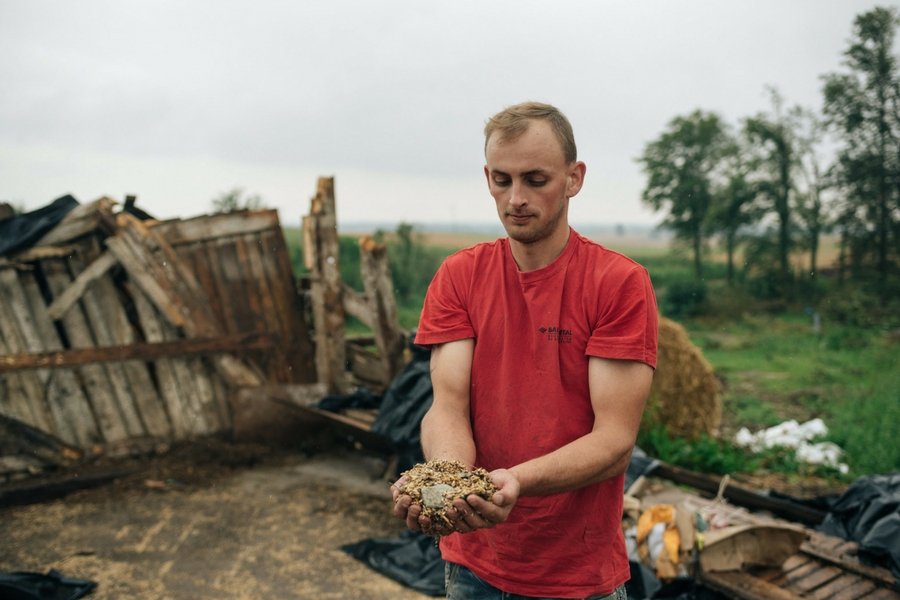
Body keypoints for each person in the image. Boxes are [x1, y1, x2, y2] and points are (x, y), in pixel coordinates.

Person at [391, 101, 658, 600]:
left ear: (574, 178)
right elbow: (447, 406)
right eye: (501, 179)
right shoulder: (460, 275)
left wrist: (511, 483)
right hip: (474, 565)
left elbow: (615, 442)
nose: (515, 198)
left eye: (536, 180)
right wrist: (450, 485)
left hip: (577, 574)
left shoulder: (618, 283)